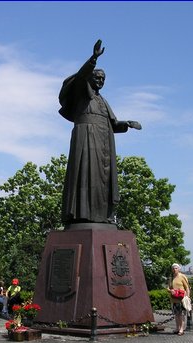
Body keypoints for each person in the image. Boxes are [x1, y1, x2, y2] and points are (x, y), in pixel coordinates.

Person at [58, 39, 142, 225]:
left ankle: (101, 215)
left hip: (104, 142)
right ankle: (82, 215)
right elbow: (80, 77)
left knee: (102, 181)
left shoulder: (102, 100)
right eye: (97, 77)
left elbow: (111, 123)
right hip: (86, 138)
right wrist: (93, 59)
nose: (101, 81)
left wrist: (126, 123)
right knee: (85, 175)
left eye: (103, 79)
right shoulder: (82, 91)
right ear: (90, 78)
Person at [167, 263, 190, 336]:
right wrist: (171, 291)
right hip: (174, 299)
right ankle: (177, 328)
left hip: (181, 299)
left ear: (179, 269)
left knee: (181, 315)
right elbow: (168, 287)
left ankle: (181, 329)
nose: (174, 269)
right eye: (173, 268)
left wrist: (188, 297)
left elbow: (187, 287)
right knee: (176, 315)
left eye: (176, 268)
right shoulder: (171, 278)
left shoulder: (182, 276)